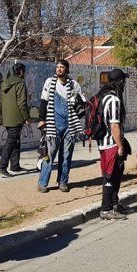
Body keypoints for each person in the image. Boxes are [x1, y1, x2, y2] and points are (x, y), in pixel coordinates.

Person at [37, 60, 85, 193]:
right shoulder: (49, 82)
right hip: (53, 123)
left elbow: (83, 104)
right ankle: (42, 183)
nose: (59, 69)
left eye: (62, 67)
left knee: (66, 156)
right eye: (57, 67)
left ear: (66, 69)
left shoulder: (74, 85)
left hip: (69, 126)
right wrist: (41, 119)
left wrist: (76, 112)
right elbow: (44, 101)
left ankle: (63, 182)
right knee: (49, 155)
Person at [98, 68, 131, 220]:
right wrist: (120, 146)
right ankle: (106, 209)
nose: (124, 84)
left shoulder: (104, 97)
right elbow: (114, 126)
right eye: (123, 81)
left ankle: (114, 203)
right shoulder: (113, 100)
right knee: (110, 176)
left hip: (104, 143)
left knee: (117, 173)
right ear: (120, 82)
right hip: (111, 144)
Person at [0, 63, 31, 178]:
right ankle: (2, 166)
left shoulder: (5, 83)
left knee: (15, 141)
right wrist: (26, 117)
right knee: (11, 142)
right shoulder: (20, 83)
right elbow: (22, 103)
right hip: (16, 117)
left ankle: (15, 166)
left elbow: (1, 100)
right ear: (20, 71)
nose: (24, 73)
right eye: (24, 71)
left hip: (7, 116)